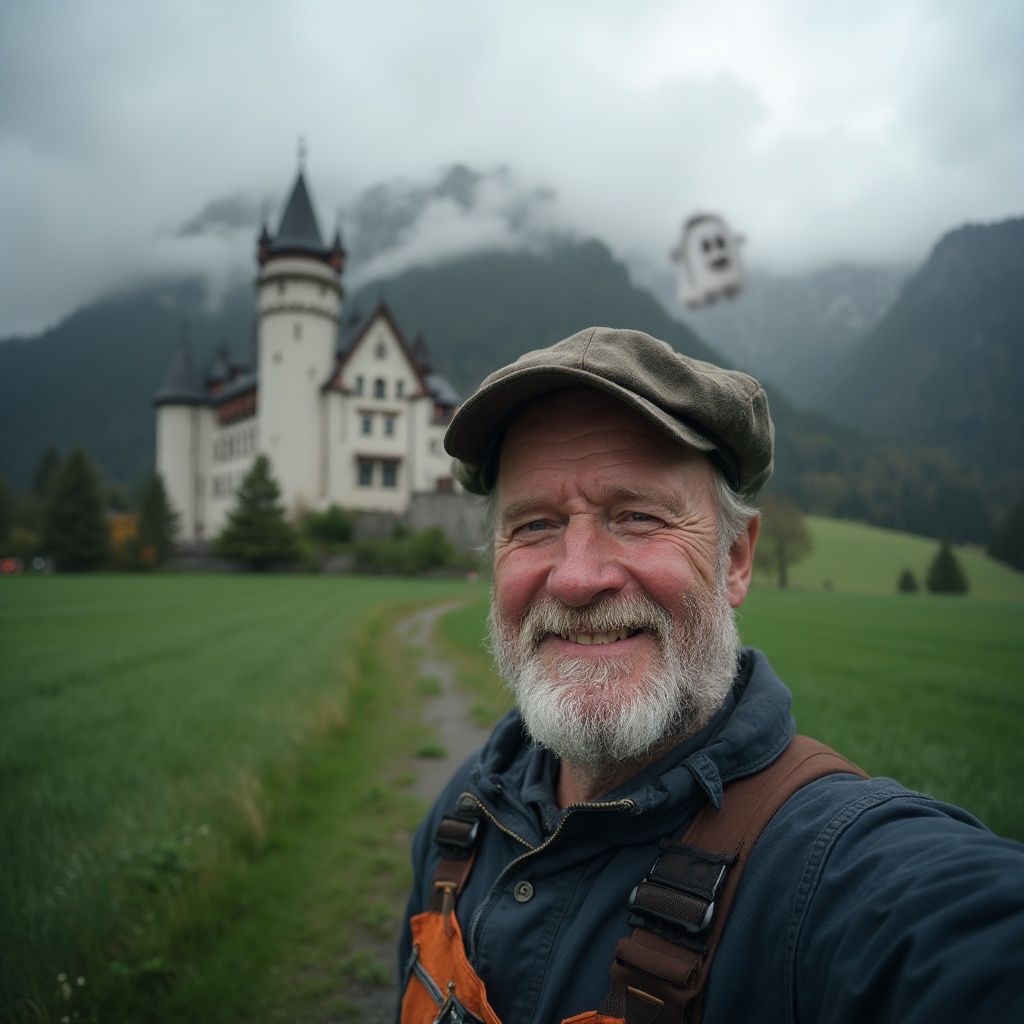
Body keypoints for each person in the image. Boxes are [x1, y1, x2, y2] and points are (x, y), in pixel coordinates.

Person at [396, 327, 1024, 1024]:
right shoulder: (464, 817)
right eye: (535, 525)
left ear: (735, 561)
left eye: (637, 515)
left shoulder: (828, 870)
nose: (575, 578)